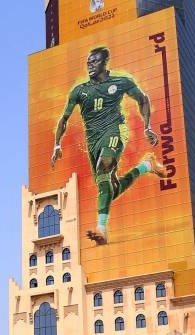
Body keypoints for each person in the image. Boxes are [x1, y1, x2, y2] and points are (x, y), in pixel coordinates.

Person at [51, 46, 166, 245]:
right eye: (88, 62)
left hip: (115, 131)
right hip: (93, 141)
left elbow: (143, 99)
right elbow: (64, 118)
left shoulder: (120, 82)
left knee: (104, 166)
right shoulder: (79, 91)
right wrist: (57, 145)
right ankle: (147, 166)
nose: (90, 66)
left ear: (105, 62)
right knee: (108, 188)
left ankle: (102, 228)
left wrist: (147, 127)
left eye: (94, 62)